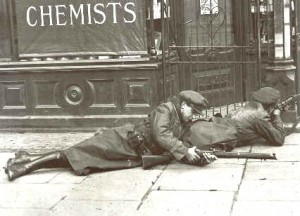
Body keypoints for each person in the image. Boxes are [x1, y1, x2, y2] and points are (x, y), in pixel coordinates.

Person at [4, 90, 217, 181]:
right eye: (193, 112)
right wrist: (184, 151)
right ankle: (24, 167)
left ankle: (25, 160)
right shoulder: (167, 110)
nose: (194, 117)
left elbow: (182, 143)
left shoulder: (183, 122)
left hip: (131, 154)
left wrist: (198, 156)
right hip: (121, 140)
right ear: (184, 105)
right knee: (74, 153)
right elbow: (161, 135)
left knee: (81, 162)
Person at [183, 87, 285, 150]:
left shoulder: (249, 105)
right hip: (219, 135)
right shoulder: (260, 116)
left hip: (214, 125)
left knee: (184, 134)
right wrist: (276, 115)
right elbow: (278, 139)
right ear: (271, 106)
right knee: (185, 141)